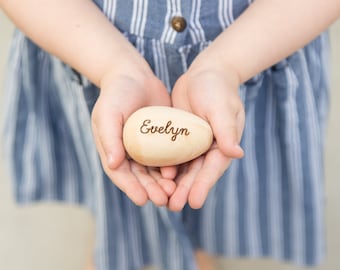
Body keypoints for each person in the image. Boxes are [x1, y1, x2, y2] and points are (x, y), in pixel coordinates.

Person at [1, 0, 339, 269]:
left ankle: (189, 248)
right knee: (115, 186)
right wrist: (112, 67)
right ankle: (123, 248)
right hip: (86, 44)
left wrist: (227, 65)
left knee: (214, 196)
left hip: (259, 49)